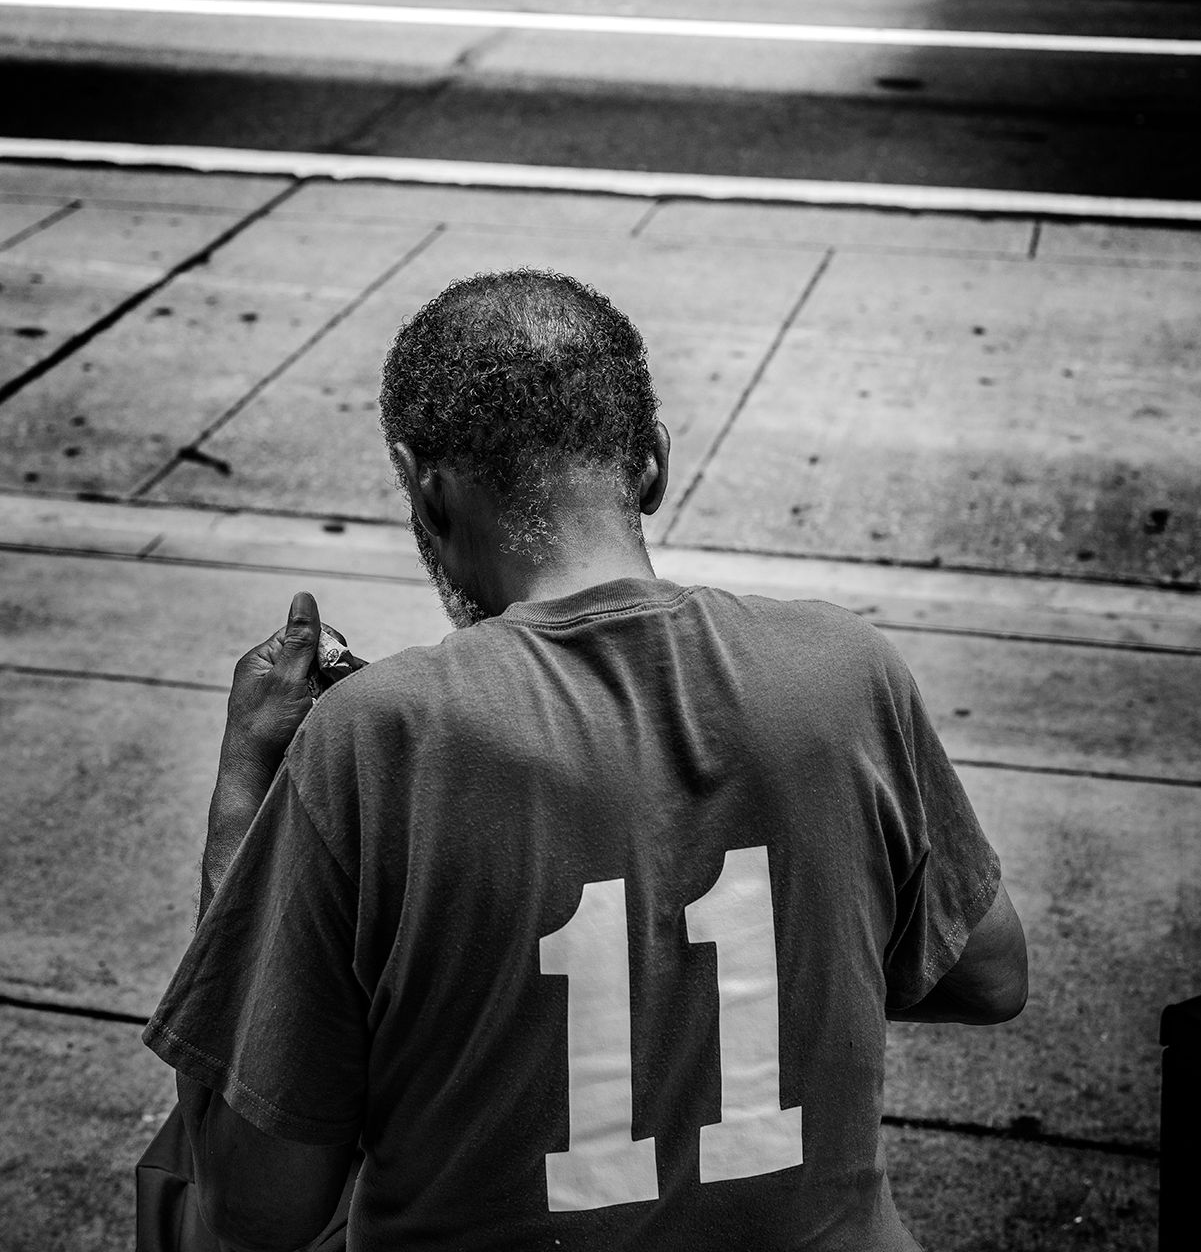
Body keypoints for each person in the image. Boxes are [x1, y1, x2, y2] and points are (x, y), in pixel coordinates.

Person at [143, 269, 1027, 1252]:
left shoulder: (377, 739)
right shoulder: (847, 673)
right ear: (649, 465)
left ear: (425, 490)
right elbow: (989, 977)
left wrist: (244, 794)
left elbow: (250, 1209)